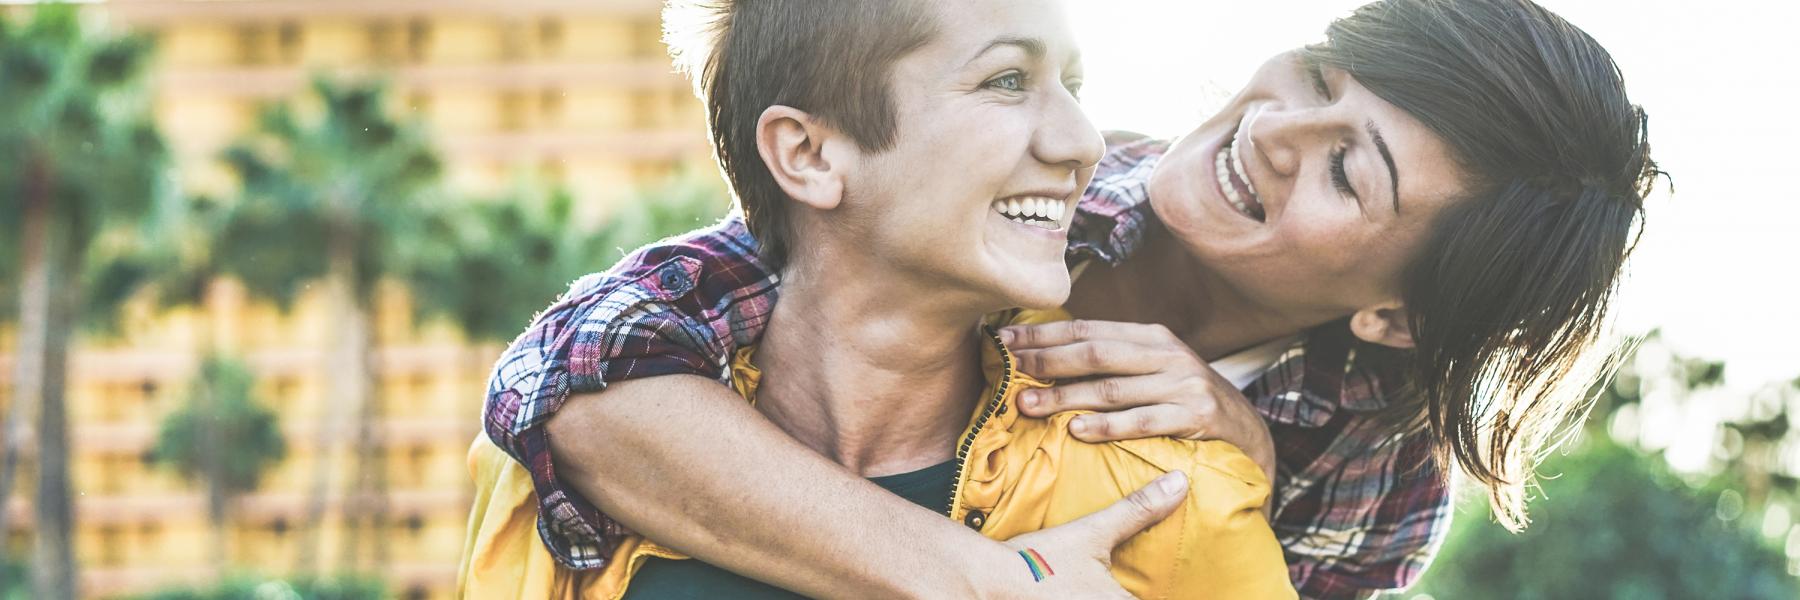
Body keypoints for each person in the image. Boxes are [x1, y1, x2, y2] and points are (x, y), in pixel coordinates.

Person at [480, 0, 1660, 597]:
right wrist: (991, 581)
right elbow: (580, 365)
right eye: (1314, 81)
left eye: (1351, 169)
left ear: (1396, 319)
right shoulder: (1029, 199)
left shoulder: (1379, 464)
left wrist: (1242, 454)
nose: (1275, 130)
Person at [461, 0, 1297, 598]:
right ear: (811, 154)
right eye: (1008, 80)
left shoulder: (1177, 499)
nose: (1082, 142)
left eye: (1072, 84)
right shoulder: (564, 473)